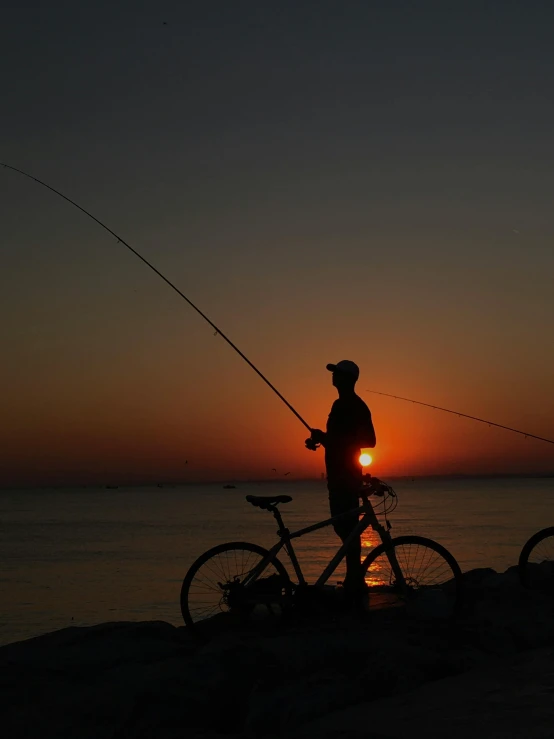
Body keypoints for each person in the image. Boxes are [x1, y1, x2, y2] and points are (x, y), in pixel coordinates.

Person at [305, 360, 376, 603]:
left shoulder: (355, 405)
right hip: (337, 476)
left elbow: (370, 440)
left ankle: (354, 583)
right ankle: (354, 580)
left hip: (346, 477)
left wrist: (329, 439)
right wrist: (321, 439)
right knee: (345, 529)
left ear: (347, 379)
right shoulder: (339, 404)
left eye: (337, 373)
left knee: (347, 529)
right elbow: (337, 440)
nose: (333, 376)